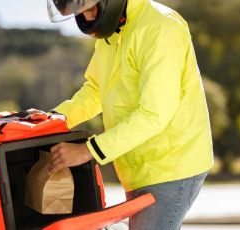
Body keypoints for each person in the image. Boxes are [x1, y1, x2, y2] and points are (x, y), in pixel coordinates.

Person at [46, 0, 214, 229]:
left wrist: (87, 150)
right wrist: (51, 120)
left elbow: (154, 113)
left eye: (90, 8)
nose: (86, 19)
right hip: (139, 167)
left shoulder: (160, 27)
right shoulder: (112, 32)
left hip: (173, 165)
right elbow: (96, 90)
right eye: (79, 13)